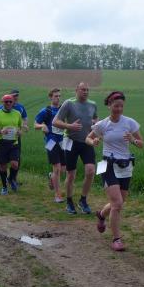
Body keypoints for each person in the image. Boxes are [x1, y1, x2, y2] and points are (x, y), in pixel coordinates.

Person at [85, 91, 144, 252]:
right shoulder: (102, 124)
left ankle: (101, 215)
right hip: (106, 164)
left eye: (121, 106)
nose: (118, 109)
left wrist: (133, 140)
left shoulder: (130, 123)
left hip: (125, 165)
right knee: (117, 204)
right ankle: (117, 239)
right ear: (109, 105)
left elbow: (141, 144)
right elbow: (87, 138)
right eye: (116, 106)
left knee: (119, 202)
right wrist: (93, 141)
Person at [53, 82, 99, 215]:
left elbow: (96, 119)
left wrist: (96, 126)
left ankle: (83, 200)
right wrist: (69, 126)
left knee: (90, 171)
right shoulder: (69, 103)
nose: (85, 92)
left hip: (87, 142)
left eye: (87, 90)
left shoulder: (93, 104)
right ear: (76, 90)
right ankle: (69, 201)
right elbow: (55, 122)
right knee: (71, 174)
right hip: (71, 142)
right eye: (83, 89)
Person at [34, 88, 66, 203]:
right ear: (50, 97)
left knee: (63, 169)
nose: (58, 98)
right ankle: (57, 195)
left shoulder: (63, 110)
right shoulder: (46, 111)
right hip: (50, 142)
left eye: (59, 96)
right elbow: (35, 124)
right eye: (56, 96)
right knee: (57, 168)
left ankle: (51, 176)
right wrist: (42, 126)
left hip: (63, 141)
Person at [0, 94, 23, 195]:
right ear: (2, 102)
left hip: (14, 143)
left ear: (13, 103)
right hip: (1, 143)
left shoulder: (17, 113)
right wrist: (0, 131)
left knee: (15, 164)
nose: (8, 103)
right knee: (3, 167)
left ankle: (11, 179)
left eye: (10, 102)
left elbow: (20, 127)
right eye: (6, 102)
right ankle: (4, 187)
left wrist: (20, 132)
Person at [0, 89, 28, 181]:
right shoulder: (1, 107)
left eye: (17, 95)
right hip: (3, 138)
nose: (15, 97)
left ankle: (13, 179)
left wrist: (24, 126)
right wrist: (0, 131)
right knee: (3, 160)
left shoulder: (20, 107)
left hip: (15, 136)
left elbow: (24, 118)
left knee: (16, 158)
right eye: (14, 95)